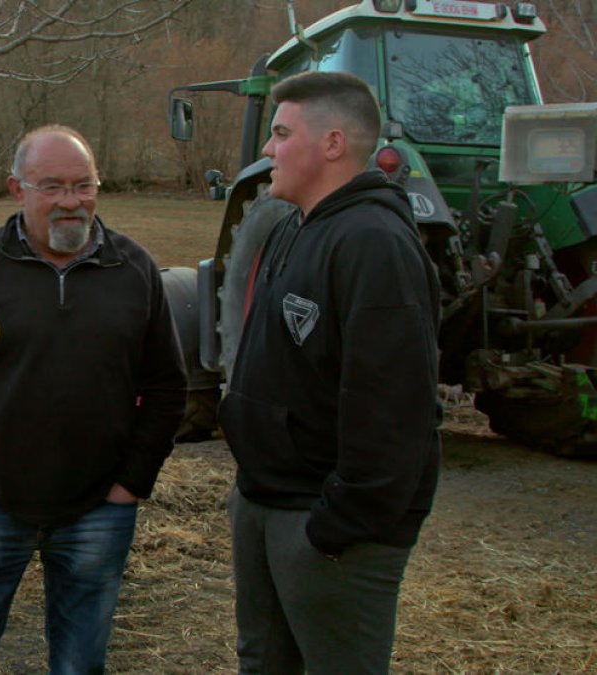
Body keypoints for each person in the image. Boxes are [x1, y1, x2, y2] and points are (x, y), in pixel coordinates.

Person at [0, 125, 187, 674]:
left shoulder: (133, 269)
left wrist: (131, 483)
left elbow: (167, 387)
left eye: (83, 185)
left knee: (80, 664)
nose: (71, 201)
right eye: (52, 186)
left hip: (97, 510)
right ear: (17, 190)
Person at [219, 71, 441, 674]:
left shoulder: (374, 243)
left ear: (333, 144)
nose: (268, 149)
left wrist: (336, 525)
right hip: (267, 502)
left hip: (324, 526)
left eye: (282, 133)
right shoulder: (297, 226)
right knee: (264, 663)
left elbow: (396, 411)